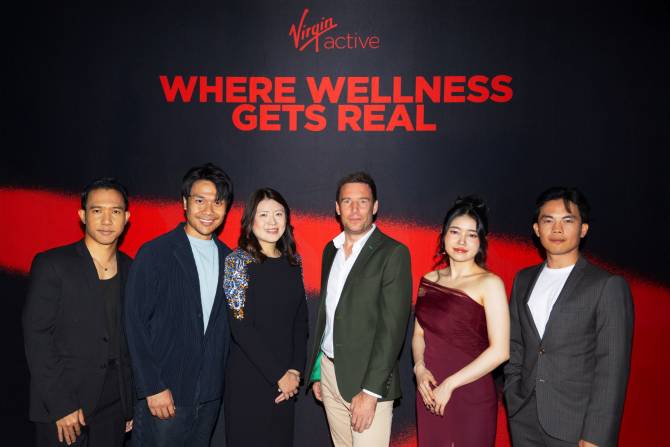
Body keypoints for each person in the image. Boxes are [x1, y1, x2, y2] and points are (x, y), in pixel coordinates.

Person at [504, 187, 634, 447]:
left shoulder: (606, 285)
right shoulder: (523, 280)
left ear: (583, 229)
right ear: (536, 229)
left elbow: (612, 368)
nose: (557, 229)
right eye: (548, 220)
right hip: (524, 419)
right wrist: (513, 393)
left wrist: (597, 434)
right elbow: (515, 344)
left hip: (576, 425)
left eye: (567, 220)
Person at [124, 163, 233, 447]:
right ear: (185, 203)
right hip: (165, 394)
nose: (208, 210)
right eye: (200, 200)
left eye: (217, 202)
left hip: (208, 397)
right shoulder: (155, 253)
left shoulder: (231, 260)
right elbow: (134, 324)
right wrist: (152, 386)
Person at [23, 178, 134, 447]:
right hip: (63, 402)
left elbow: (131, 340)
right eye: (97, 210)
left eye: (115, 211)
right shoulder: (53, 264)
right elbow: (37, 338)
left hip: (114, 405)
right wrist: (61, 404)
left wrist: (128, 403)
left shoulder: (132, 269)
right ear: (83, 216)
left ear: (126, 218)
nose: (106, 220)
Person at [305, 172, 412, 447]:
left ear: (374, 206)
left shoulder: (393, 253)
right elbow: (329, 317)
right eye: (347, 201)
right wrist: (318, 372)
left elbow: (392, 330)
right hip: (330, 375)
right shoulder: (331, 250)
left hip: (367, 382)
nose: (354, 209)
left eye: (362, 201)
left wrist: (371, 392)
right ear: (337, 207)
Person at [412, 196, 509, 447]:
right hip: (430, 390)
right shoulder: (429, 280)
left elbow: (500, 351)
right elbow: (419, 334)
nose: (462, 241)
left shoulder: (490, 283)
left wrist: (450, 385)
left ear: (481, 241)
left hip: (470, 392)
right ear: (443, 236)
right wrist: (419, 368)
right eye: (455, 232)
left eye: (471, 235)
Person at [223, 188, 308, 447]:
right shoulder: (237, 262)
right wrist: (278, 375)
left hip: (287, 382)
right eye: (263, 214)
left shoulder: (294, 262)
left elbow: (300, 322)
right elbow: (241, 328)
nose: (272, 221)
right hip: (249, 378)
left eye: (278, 214)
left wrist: (294, 371)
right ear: (250, 221)